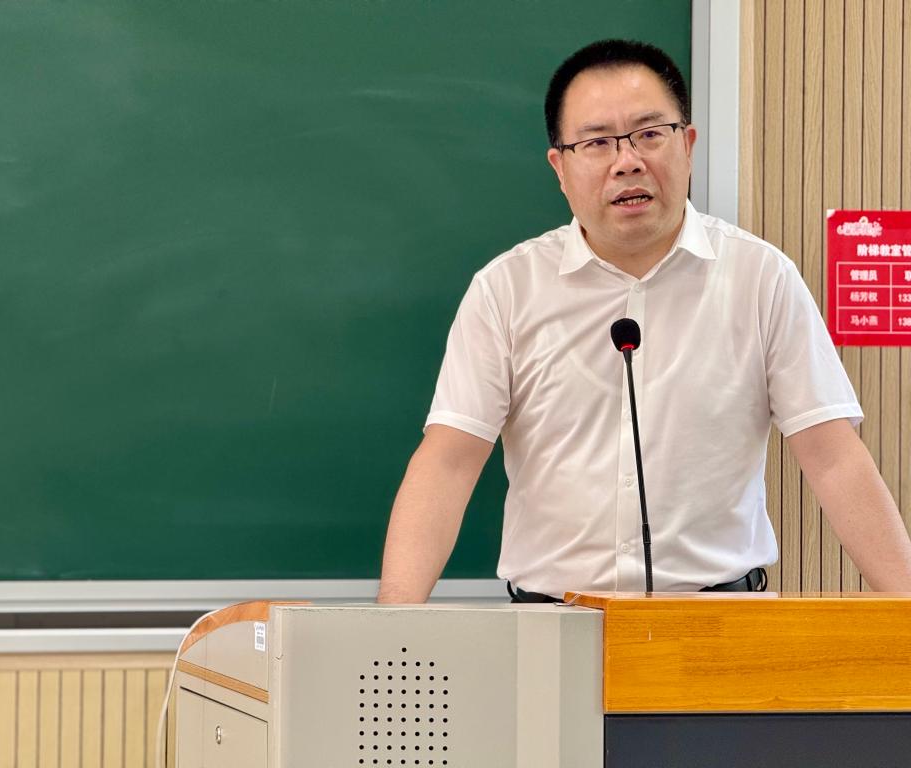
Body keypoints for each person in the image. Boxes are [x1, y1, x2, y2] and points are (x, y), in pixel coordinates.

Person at [377, 39, 911, 602]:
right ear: (560, 167)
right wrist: (392, 629)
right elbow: (448, 464)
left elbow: (833, 457)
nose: (627, 161)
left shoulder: (761, 277)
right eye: (597, 142)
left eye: (650, 134)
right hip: (549, 624)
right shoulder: (506, 289)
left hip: (720, 620)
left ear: (688, 145)